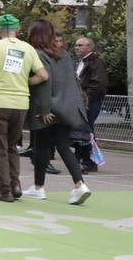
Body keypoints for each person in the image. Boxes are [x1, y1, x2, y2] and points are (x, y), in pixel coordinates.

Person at [0, 14, 49, 202]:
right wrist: (25, 81)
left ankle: (5, 190)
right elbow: (43, 75)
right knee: (13, 146)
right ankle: (16, 184)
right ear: (17, 29)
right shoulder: (27, 48)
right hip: (21, 103)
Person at [21, 21, 92, 205]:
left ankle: (38, 187)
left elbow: (45, 84)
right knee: (62, 146)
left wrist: (44, 109)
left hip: (47, 109)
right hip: (68, 108)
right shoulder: (64, 54)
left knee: (40, 147)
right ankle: (79, 184)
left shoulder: (38, 54)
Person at [73, 36, 108, 173]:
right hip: (80, 101)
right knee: (82, 129)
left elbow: (98, 84)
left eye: (80, 45)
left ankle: (89, 161)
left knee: (86, 129)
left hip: (90, 101)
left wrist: (85, 99)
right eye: (76, 45)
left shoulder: (96, 62)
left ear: (89, 47)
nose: (77, 47)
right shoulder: (80, 62)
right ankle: (81, 158)